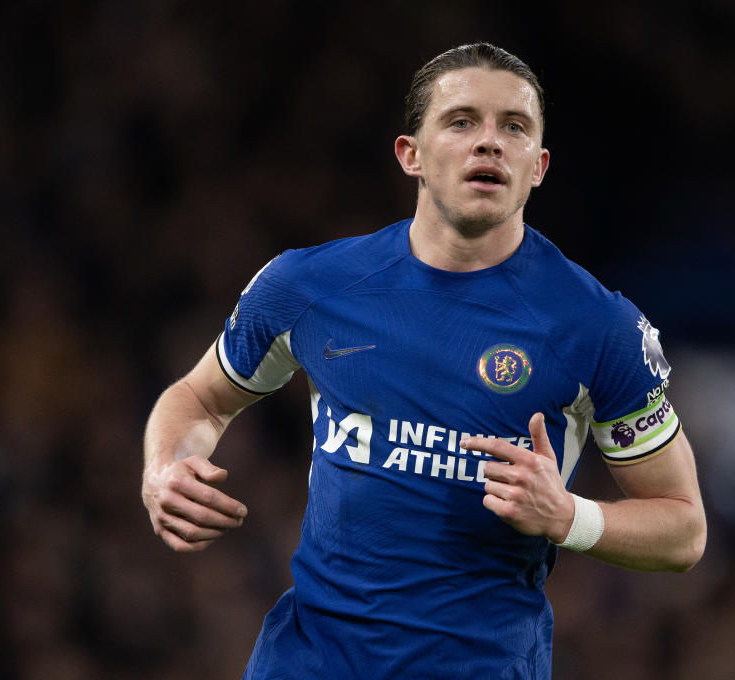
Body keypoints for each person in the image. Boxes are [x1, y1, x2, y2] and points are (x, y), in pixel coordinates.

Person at [142, 42, 706, 679]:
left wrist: (570, 517)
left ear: (539, 165)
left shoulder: (596, 327)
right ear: (411, 154)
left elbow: (683, 531)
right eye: (462, 121)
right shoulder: (308, 287)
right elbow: (200, 398)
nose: (489, 143)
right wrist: (167, 464)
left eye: (514, 128)